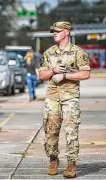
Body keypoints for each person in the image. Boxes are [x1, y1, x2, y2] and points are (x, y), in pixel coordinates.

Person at [38, 21, 91, 178]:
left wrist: (65, 76)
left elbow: (86, 74)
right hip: (52, 97)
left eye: (58, 31)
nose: (54, 33)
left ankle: (71, 164)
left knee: (71, 131)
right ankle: (53, 159)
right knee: (50, 132)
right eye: (53, 31)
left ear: (67, 32)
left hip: (70, 97)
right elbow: (41, 75)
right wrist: (53, 71)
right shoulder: (48, 53)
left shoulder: (78, 52)